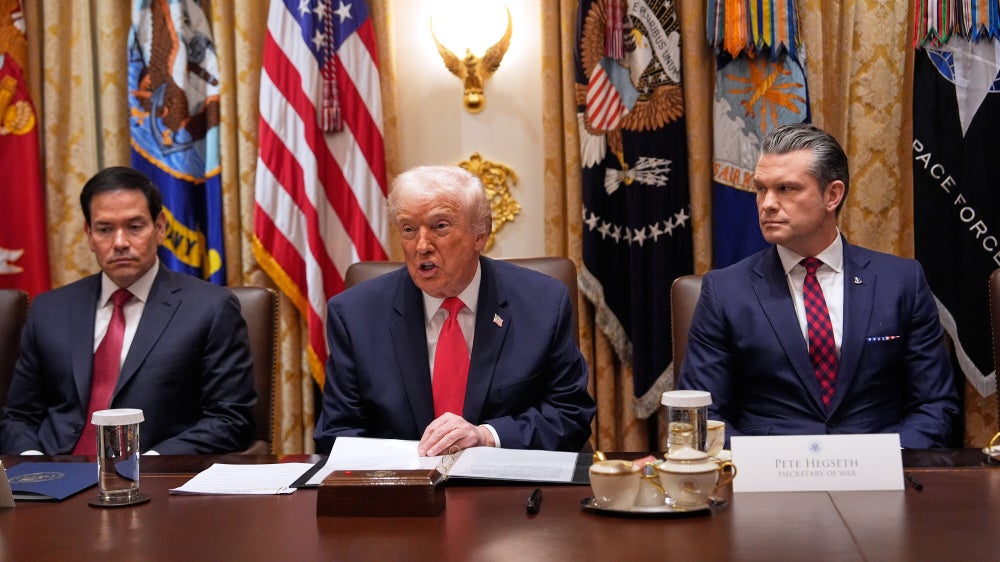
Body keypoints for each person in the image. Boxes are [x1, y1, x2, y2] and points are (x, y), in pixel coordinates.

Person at [678, 123, 959, 448]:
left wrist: (877, 461)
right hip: (769, 484)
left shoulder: (901, 281)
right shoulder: (725, 291)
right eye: (761, 188)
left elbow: (935, 407)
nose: (767, 203)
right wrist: (762, 468)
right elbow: (704, 416)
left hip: (880, 477)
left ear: (832, 195)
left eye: (786, 189)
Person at [314, 165, 595, 456]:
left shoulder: (543, 303)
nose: (421, 246)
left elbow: (570, 414)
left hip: (506, 488)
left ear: (480, 235)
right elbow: (336, 433)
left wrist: (486, 436)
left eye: (440, 226)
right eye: (408, 229)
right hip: (402, 491)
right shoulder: (354, 314)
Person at [0, 166, 256, 455]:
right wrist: (35, 468)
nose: (120, 243)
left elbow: (230, 420)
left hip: (151, 480)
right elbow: (19, 416)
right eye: (105, 229)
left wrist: (150, 464)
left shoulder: (210, 308)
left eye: (134, 227)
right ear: (89, 234)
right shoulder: (50, 309)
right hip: (54, 479)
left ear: (159, 227)